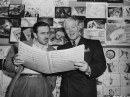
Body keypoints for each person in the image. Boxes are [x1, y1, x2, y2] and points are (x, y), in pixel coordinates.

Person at [57, 16, 106, 97]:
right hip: (67, 92)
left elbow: (101, 65)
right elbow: (59, 71)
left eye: (73, 27)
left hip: (86, 91)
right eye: (67, 28)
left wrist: (88, 69)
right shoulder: (61, 48)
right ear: (65, 31)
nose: (70, 31)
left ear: (79, 27)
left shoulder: (94, 44)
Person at [4, 22, 57, 97]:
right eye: (42, 33)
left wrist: (50, 86)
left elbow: (53, 74)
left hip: (42, 84)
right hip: (22, 82)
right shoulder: (20, 46)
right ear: (35, 34)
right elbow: (7, 65)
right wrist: (14, 63)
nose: (46, 36)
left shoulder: (53, 51)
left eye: (48, 33)